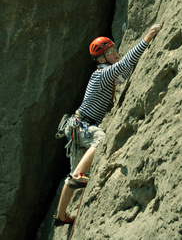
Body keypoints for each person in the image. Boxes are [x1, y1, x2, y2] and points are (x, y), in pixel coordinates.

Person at [54, 23, 163, 226]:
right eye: (110, 52)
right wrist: (147, 38)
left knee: (73, 177)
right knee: (100, 139)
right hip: (81, 125)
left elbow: (123, 74)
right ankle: (72, 190)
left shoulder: (108, 75)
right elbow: (123, 66)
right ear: (101, 59)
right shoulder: (101, 75)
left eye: (114, 50)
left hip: (78, 128)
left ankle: (60, 217)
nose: (115, 53)